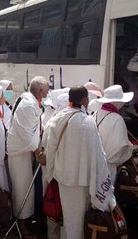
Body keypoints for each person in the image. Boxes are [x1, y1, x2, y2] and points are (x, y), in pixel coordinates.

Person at [42, 86, 115, 239]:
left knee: (69, 218)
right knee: (82, 219)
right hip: (84, 180)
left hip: (64, 179)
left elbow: (50, 149)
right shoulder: (88, 122)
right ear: (84, 100)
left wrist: (50, 175)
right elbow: (98, 153)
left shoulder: (58, 118)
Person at [7, 76, 49, 237]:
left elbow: (35, 126)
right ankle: (21, 225)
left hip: (23, 151)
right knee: (22, 189)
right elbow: (26, 134)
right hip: (19, 153)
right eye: (45, 92)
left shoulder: (29, 101)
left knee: (26, 189)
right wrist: (38, 153)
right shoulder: (28, 105)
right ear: (39, 91)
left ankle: (24, 220)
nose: (46, 95)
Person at [93, 85, 135, 185]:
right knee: (106, 195)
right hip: (108, 167)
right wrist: (130, 148)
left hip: (94, 163)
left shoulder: (96, 113)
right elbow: (119, 148)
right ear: (116, 102)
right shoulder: (117, 119)